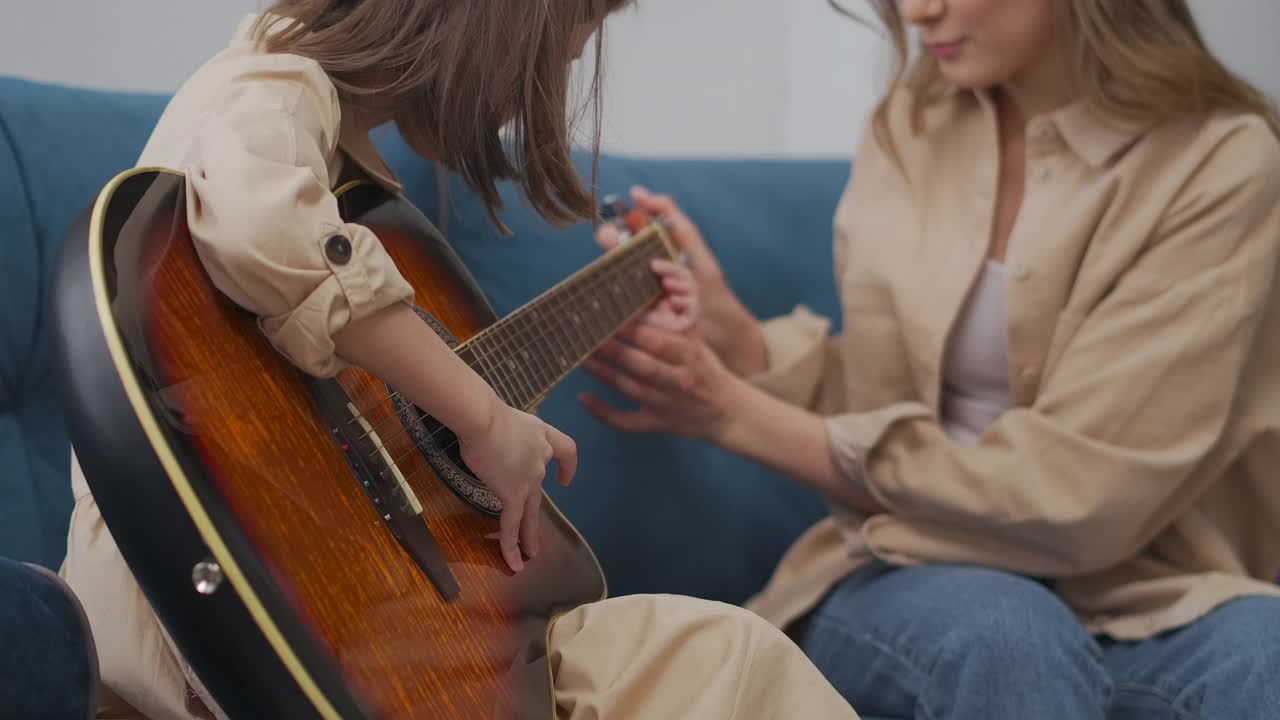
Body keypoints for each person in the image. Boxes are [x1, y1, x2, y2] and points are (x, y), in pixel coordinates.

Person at [59, 2, 859, 719]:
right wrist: (481, 417)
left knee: (711, 648)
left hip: (354, 614)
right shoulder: (272, 78)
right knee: (725, 656)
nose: (549, 89)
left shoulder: (343, 156)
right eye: (568, 55)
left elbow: (351, 399)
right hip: (223, 622)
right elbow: (258, 223)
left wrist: (494, 400)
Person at [582, 0, 1280, 717]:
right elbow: (885, 403)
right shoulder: (909, 127)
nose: (918, 11)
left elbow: (1081, 495)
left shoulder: (1222, 162)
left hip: (1149, 586)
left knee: (1267, 653)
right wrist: (739, 339)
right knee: (1004, 636)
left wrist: (730, 413)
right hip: (914, 570)